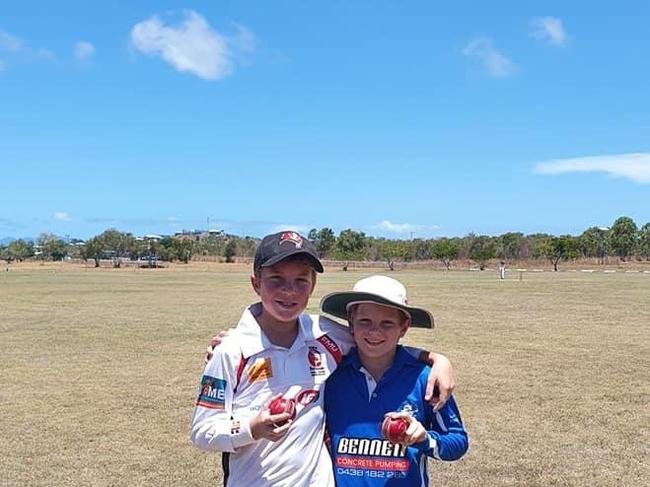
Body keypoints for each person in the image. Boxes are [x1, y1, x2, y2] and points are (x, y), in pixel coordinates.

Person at [190, 231, 455, 487]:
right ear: (256, 283)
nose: (289, 291)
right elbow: (202, 432)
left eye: (301, 281)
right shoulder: (231, 351)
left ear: (312, 286)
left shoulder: (325, 334)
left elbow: (377, 341)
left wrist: (435, 358)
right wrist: (251, 428)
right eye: (276, 279)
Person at [322, 275, 468, 486]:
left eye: (387, 324)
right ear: (350, 321)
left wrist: (424, 439)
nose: (374, 331)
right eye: (365, 321)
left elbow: (458, 442)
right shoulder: (331, 373)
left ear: (404, 327)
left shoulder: (425, 378)